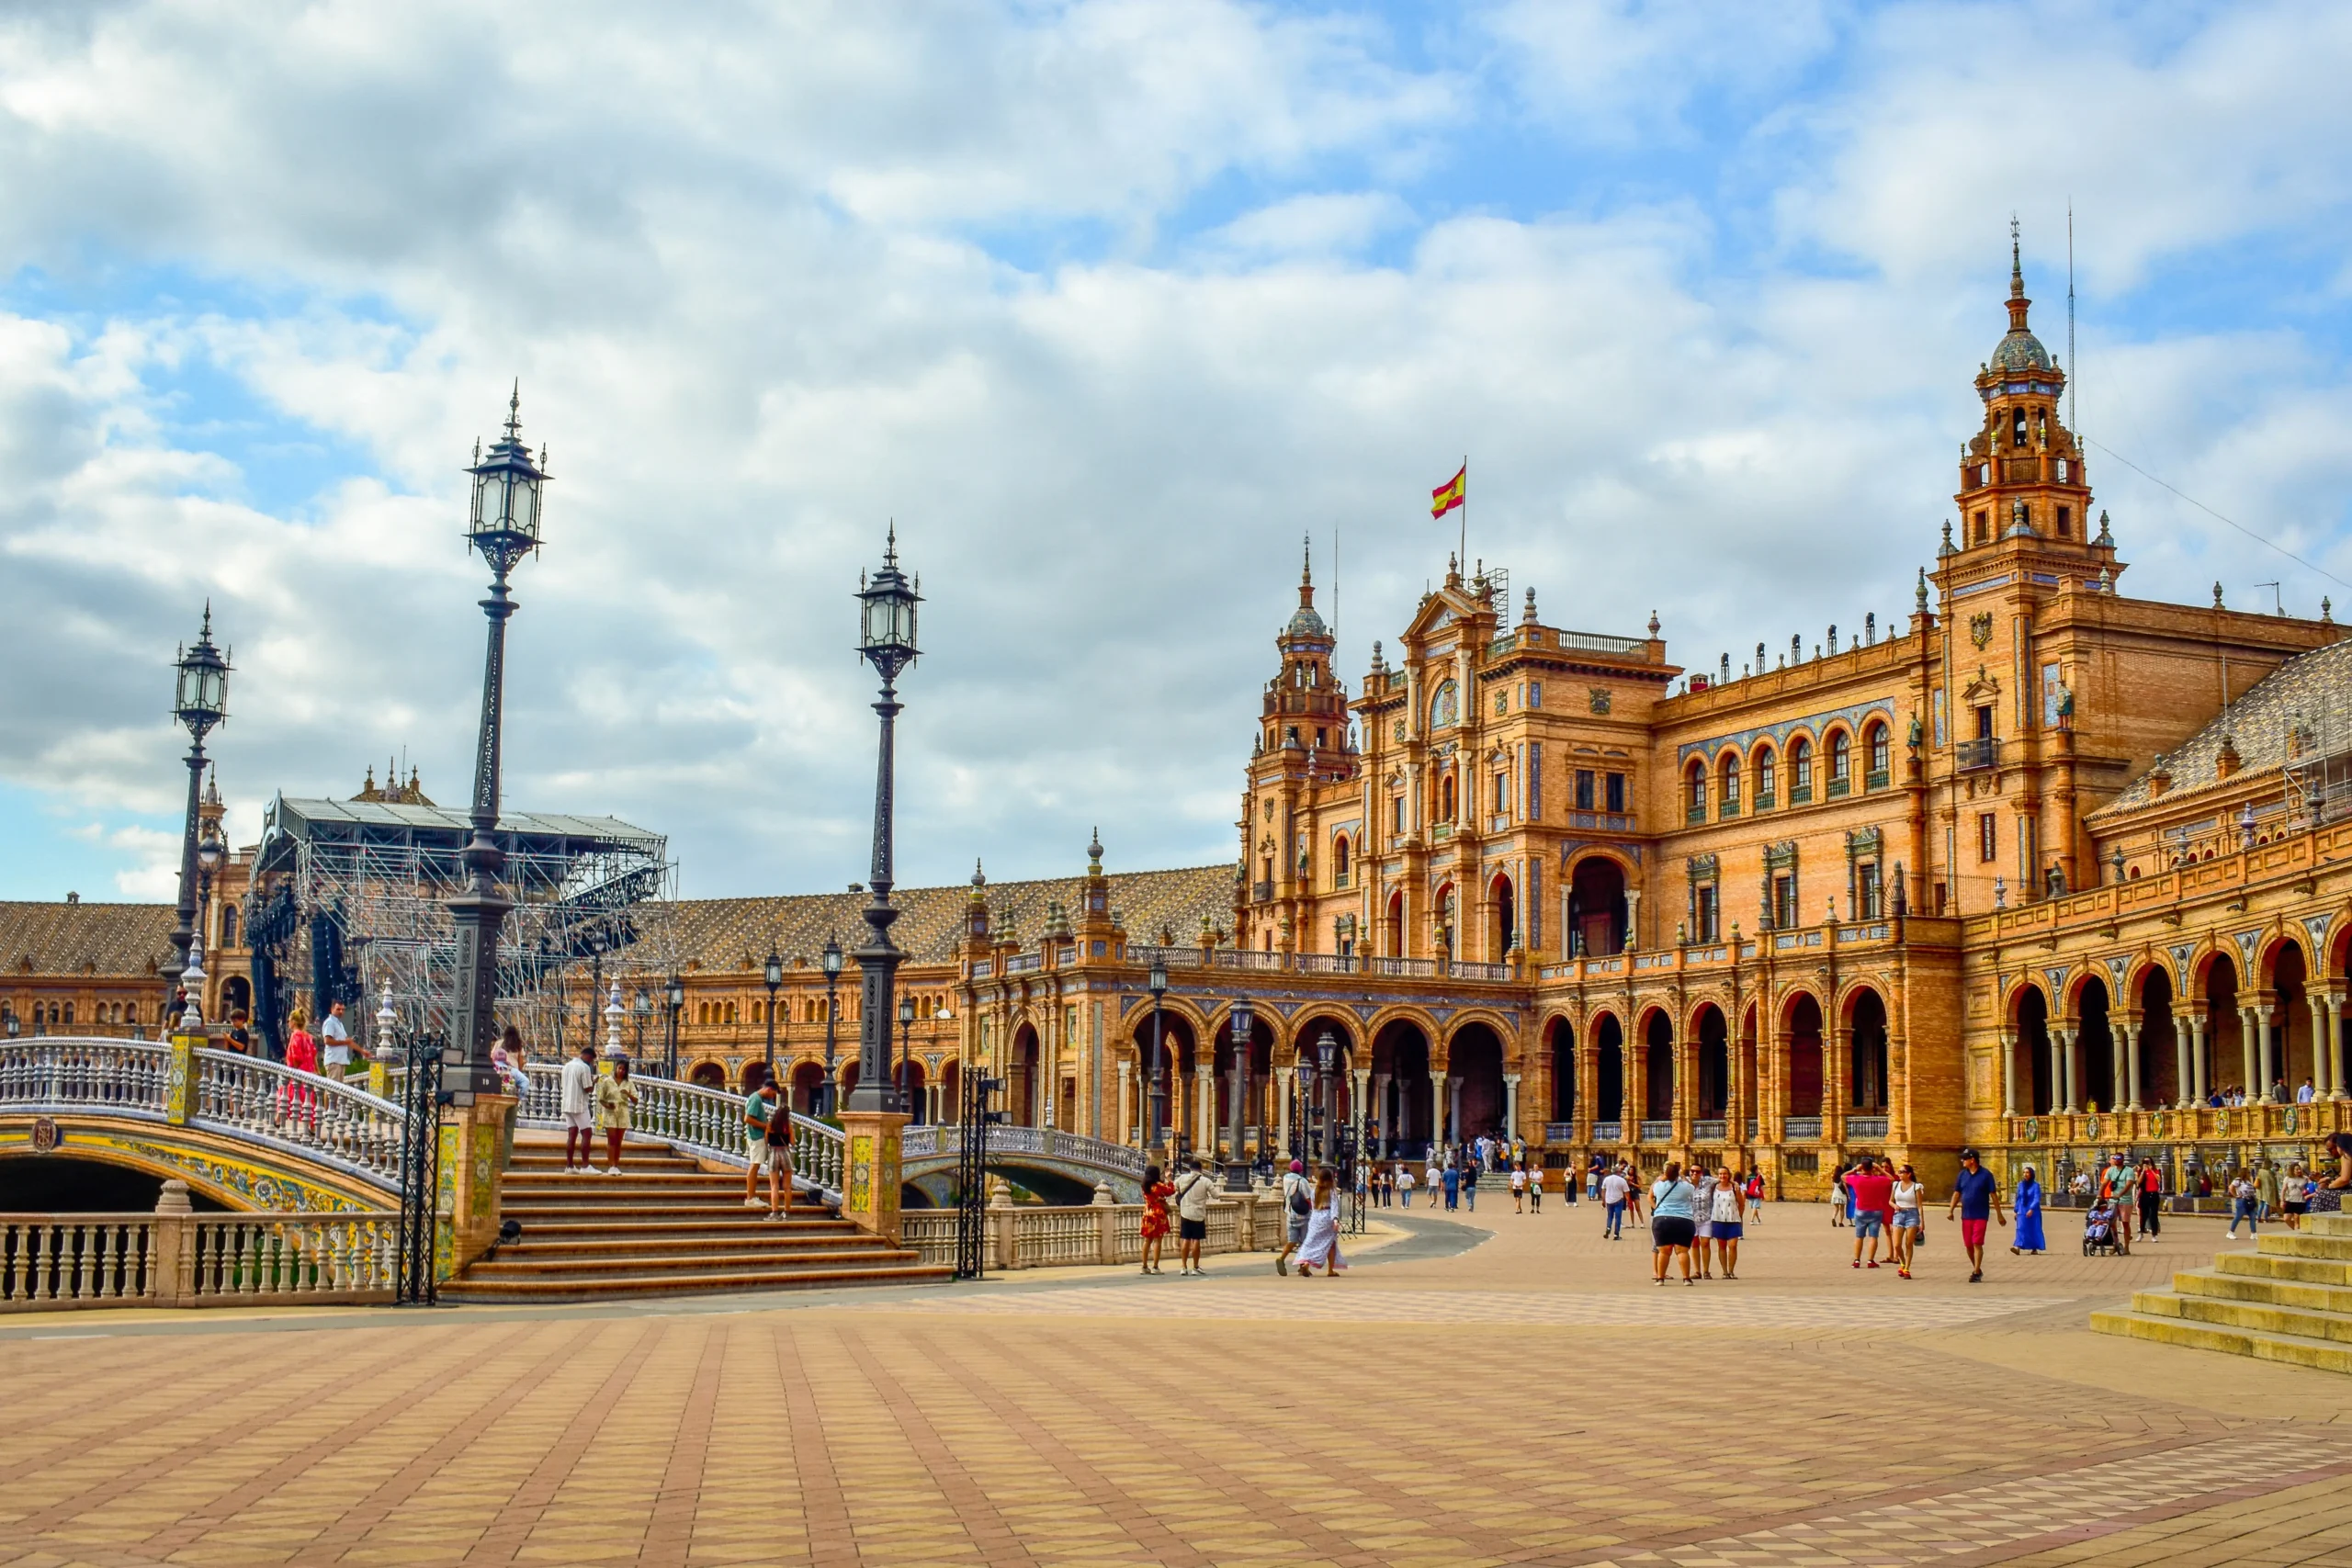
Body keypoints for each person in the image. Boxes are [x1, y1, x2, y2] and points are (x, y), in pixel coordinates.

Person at [1947, 1147, 2005, 1283]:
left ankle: (1976, 1271)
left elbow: (1994, 1196)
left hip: (1981, 1214)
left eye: (1965, 1158)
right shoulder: (1962, 1175)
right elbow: (1957, 1193)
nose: (1962, 1161)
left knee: (1977, 1242)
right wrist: (1951, 1210)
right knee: (1968, 1245)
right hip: (1966, 1215)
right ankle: (1977, 1269)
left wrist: (1999, 1214)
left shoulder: (1986, 1175)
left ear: (1972, 1160)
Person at [1649, 1161, 1700, 1286]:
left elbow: (1652, 1191)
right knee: (1682, 1251)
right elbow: (1693, 1188)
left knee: (1664, 1251)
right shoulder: (1685, 1186)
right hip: (1683, 1220)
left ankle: (1660, 1278)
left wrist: (1662, 1177)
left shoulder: (1659, 1186)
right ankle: (1686, 1278)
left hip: (1662, 1219)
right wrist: (1682, 1177)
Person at [1295, 1166, 1348, 1277]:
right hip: (1327, 1218)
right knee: (1330, 1244)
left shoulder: (1314, 1191)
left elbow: (1313, 1206)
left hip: (1316, 1218)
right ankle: (1330, 1270)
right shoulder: (1331, 1191)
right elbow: (1334, 1206)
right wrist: (1335, 1220)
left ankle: (1306, 1264)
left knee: (1311, 1242)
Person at [591, 1057, 639, 1173]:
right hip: (610, 1112)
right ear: (616, 1068)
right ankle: (611, 1165)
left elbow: (636, 1100)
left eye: (624, 1069)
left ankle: (616, 1164)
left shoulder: (628, 1083)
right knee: (611, 1140)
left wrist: (628, 1093)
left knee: (619, 1141)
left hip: (623, 1112)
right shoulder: (607, 1081)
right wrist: (608, 1105)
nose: (621, 1071)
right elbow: (601, 1099)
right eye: (620, 1068)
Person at [741, 1068, 782, 1208]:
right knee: (754, 1166)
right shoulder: (756, 1099)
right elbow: (747, 1118)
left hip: (756, 1136)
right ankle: (750, 1198)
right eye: (773, 1093)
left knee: (755, 1165)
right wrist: (766, 1126)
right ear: (769, 1089)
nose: (772, 1097)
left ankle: (751, 1197)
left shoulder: (755, 1098)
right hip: (756, 1137)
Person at [1845, 1158, 1892, 1269]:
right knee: (1873, 1236)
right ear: (1872, 1167)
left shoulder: (1856, 1179)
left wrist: (1855, 1169)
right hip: (1876, 1210)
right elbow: (1891, 1179)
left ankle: (1857, 1260)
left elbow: (1842, 1176)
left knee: (1859, 1236)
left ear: (1862, 1167)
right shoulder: (1879, 1180)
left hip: (1861, 1210)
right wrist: (1880, 1169)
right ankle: (1870, 1261)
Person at [1172, 1156, 1214, 1275]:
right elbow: (1216, 1195)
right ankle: (1195, 1267)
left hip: (1185, 1213)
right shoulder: (1206, 1181)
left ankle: (1183, 1267)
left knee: (1185, 1239)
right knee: (1196, 1240)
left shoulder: (1182, 1178)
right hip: (1199, 1214)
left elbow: (1173, 1187)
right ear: (1200, 1170)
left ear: (1190, 1169)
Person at [280, 1006, 319, 1126]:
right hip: (309, 1070)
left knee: (287, 1094)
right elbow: (314, 1054)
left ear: (293, 1022)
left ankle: (277, 1120)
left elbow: (297, 1056)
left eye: (289, 1021)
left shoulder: (295, 1035)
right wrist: (317, 1070)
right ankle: (311, 1125)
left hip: (298, 1071)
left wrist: (294, 1071)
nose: (288, 1023)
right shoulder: (308, 1036)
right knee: (307, 1098)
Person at [1888, 1162, 1923, 1278]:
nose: (1900, 1174)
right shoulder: (1896, 1185)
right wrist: (1895, 1206)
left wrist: (1922, 1221)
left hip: (1912, 1214)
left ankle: (1907, 1268)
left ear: (1909, 1174)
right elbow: (1890, 1201)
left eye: (1902, 1172)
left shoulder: (1916, 1187)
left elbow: (1919, 1205)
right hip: (1898, 1214)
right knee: (1897, 1244)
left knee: (1909, 1243)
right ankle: (1902, 1262)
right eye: (1899, 1172)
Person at [1709, 1167, 1744, 1279]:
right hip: (1718, 1220)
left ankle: (1731, 1270)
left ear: (1729, 1175)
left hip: (1733, 1220)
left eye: (1725, 1174)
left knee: (1733, 1245)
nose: (1722, 1176)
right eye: (1720, 1174)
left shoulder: (1735, 1187)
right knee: (1722, 1246)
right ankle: (1725, 1271)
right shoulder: (1714, 1186)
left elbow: (1741, 1203)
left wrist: (1740, 1216)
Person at [1139, 1163, 1173, 1275]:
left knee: (1147, 1240)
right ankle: (1155, 1266)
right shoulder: (1158, 1185)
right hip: (1158, 1214)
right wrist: (1169, 1179)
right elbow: (1170, 1191)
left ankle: (1144, 1266)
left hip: (1147, 1213)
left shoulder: (1144, 1186)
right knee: (1158, 1240)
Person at [2098, 1154, 2133, 1254]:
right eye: (2115, 1158)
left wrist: (2120, 1194)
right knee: (2111, 1223)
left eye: (2119, 1158)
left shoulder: (2129, 1171)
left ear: (2122, 1159)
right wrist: (2100, 1194)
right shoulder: (2110, 1170)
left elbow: (2129, 1184)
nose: (2116, 1160)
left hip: (2125, 1200)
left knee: (2125, 1223)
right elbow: (2104, 1183)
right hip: (2112, 1201)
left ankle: (2126, 1247)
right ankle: (2116, 1244)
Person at [2010, 1165, 2046, 1255]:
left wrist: (2032, 1209)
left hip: (2033, 1211)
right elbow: (2019, 1198)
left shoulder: (2035, 1185)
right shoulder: (2020, 1185)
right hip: (2022, 1209)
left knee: (2033, 1228)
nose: (2025, 1174)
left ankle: (2034, 1248)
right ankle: (2017, 1247)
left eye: (2027, 1172)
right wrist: (2016, 1210)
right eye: (2024, 1173)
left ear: (2031, 1174)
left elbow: (2036, 1198)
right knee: (2020, 1228)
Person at [2311, 1133, 2350, 1213]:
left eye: (2330, 1149)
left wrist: (2329, 1186)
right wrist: (2327, 1179)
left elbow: (2344, 1179)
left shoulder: (2346, 1155)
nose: (2329, 1153)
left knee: (2321, 1196)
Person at [319, 998, 355, 1080]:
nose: (341, 1012)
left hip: (340, 1060)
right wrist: (344, 1042)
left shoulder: (339, 1024)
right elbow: (327, 1040)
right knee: (332, 1090)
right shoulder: (330, 1022)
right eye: (338, 1009)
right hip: (334, 1061)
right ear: (332, 1010)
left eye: (343, 1009)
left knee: (338, 1090)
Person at [2225, 1167, 2259, 1238]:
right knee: (2238, 1217)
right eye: (2248, 1172)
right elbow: (2231, 1187)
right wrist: (2236, 1195)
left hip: (2250, 1201)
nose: (2249, 1174)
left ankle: (2254, 1233)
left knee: (2253, 1217)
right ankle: (2231, 1232)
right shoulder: (2238, 1180)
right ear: (2244, 1173)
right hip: (2242, 1201)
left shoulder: (2248, 1181)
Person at [2136, 1155, 2165, 1238]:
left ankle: (2154, 1234)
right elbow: (2138, 1182)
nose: (2147, 1163)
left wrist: (2151, 1170)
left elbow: (2159, 1179)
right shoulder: (2141, 1171)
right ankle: (2141, 1232)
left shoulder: (2155, 1170)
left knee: (2153, 1215)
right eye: (2145, 1162)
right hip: (2144, 1194)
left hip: (2154, 1194)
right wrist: (2143, 1171)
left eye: (2148, 1162)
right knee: (2143, 1215)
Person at [1600, 1163, 1630, 1240]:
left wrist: (1603, 1200)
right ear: (1618, 1172)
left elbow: (1603, 1190)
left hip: (1609, 1200)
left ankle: (1608, 1227)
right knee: (1618, 1217)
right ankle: (1616, 1234)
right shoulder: (1622, 1180)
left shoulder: (1606, 1179)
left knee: (1610, 1216)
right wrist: (1628, 1202)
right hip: (1618, 1200)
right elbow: (1627, 1192)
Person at [2280, 1162, 2310, 1231]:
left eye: (2299, 1169)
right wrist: (2282, 1200)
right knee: (2286, 1219)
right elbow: (2283, 1190)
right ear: (2292, 1170)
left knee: (2297, 1220)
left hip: (2300, 1201)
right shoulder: (2288, 1178)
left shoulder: (2305, 1178)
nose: (2299, 1171)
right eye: (2297, 1169)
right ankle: (2297, 1231)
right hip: (2290, 1200)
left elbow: (2312, 1185)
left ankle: (2297, 1232)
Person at [2256, 1158, 2281, 1226]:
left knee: (2261, 1204)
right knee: (2267, 1204)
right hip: (2268, 1190)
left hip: (2260, 1191)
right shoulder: (2269, 1172)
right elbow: (2273, 1182)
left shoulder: (2260, 1171)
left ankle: (2258, 1218)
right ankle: (2265, 1218)